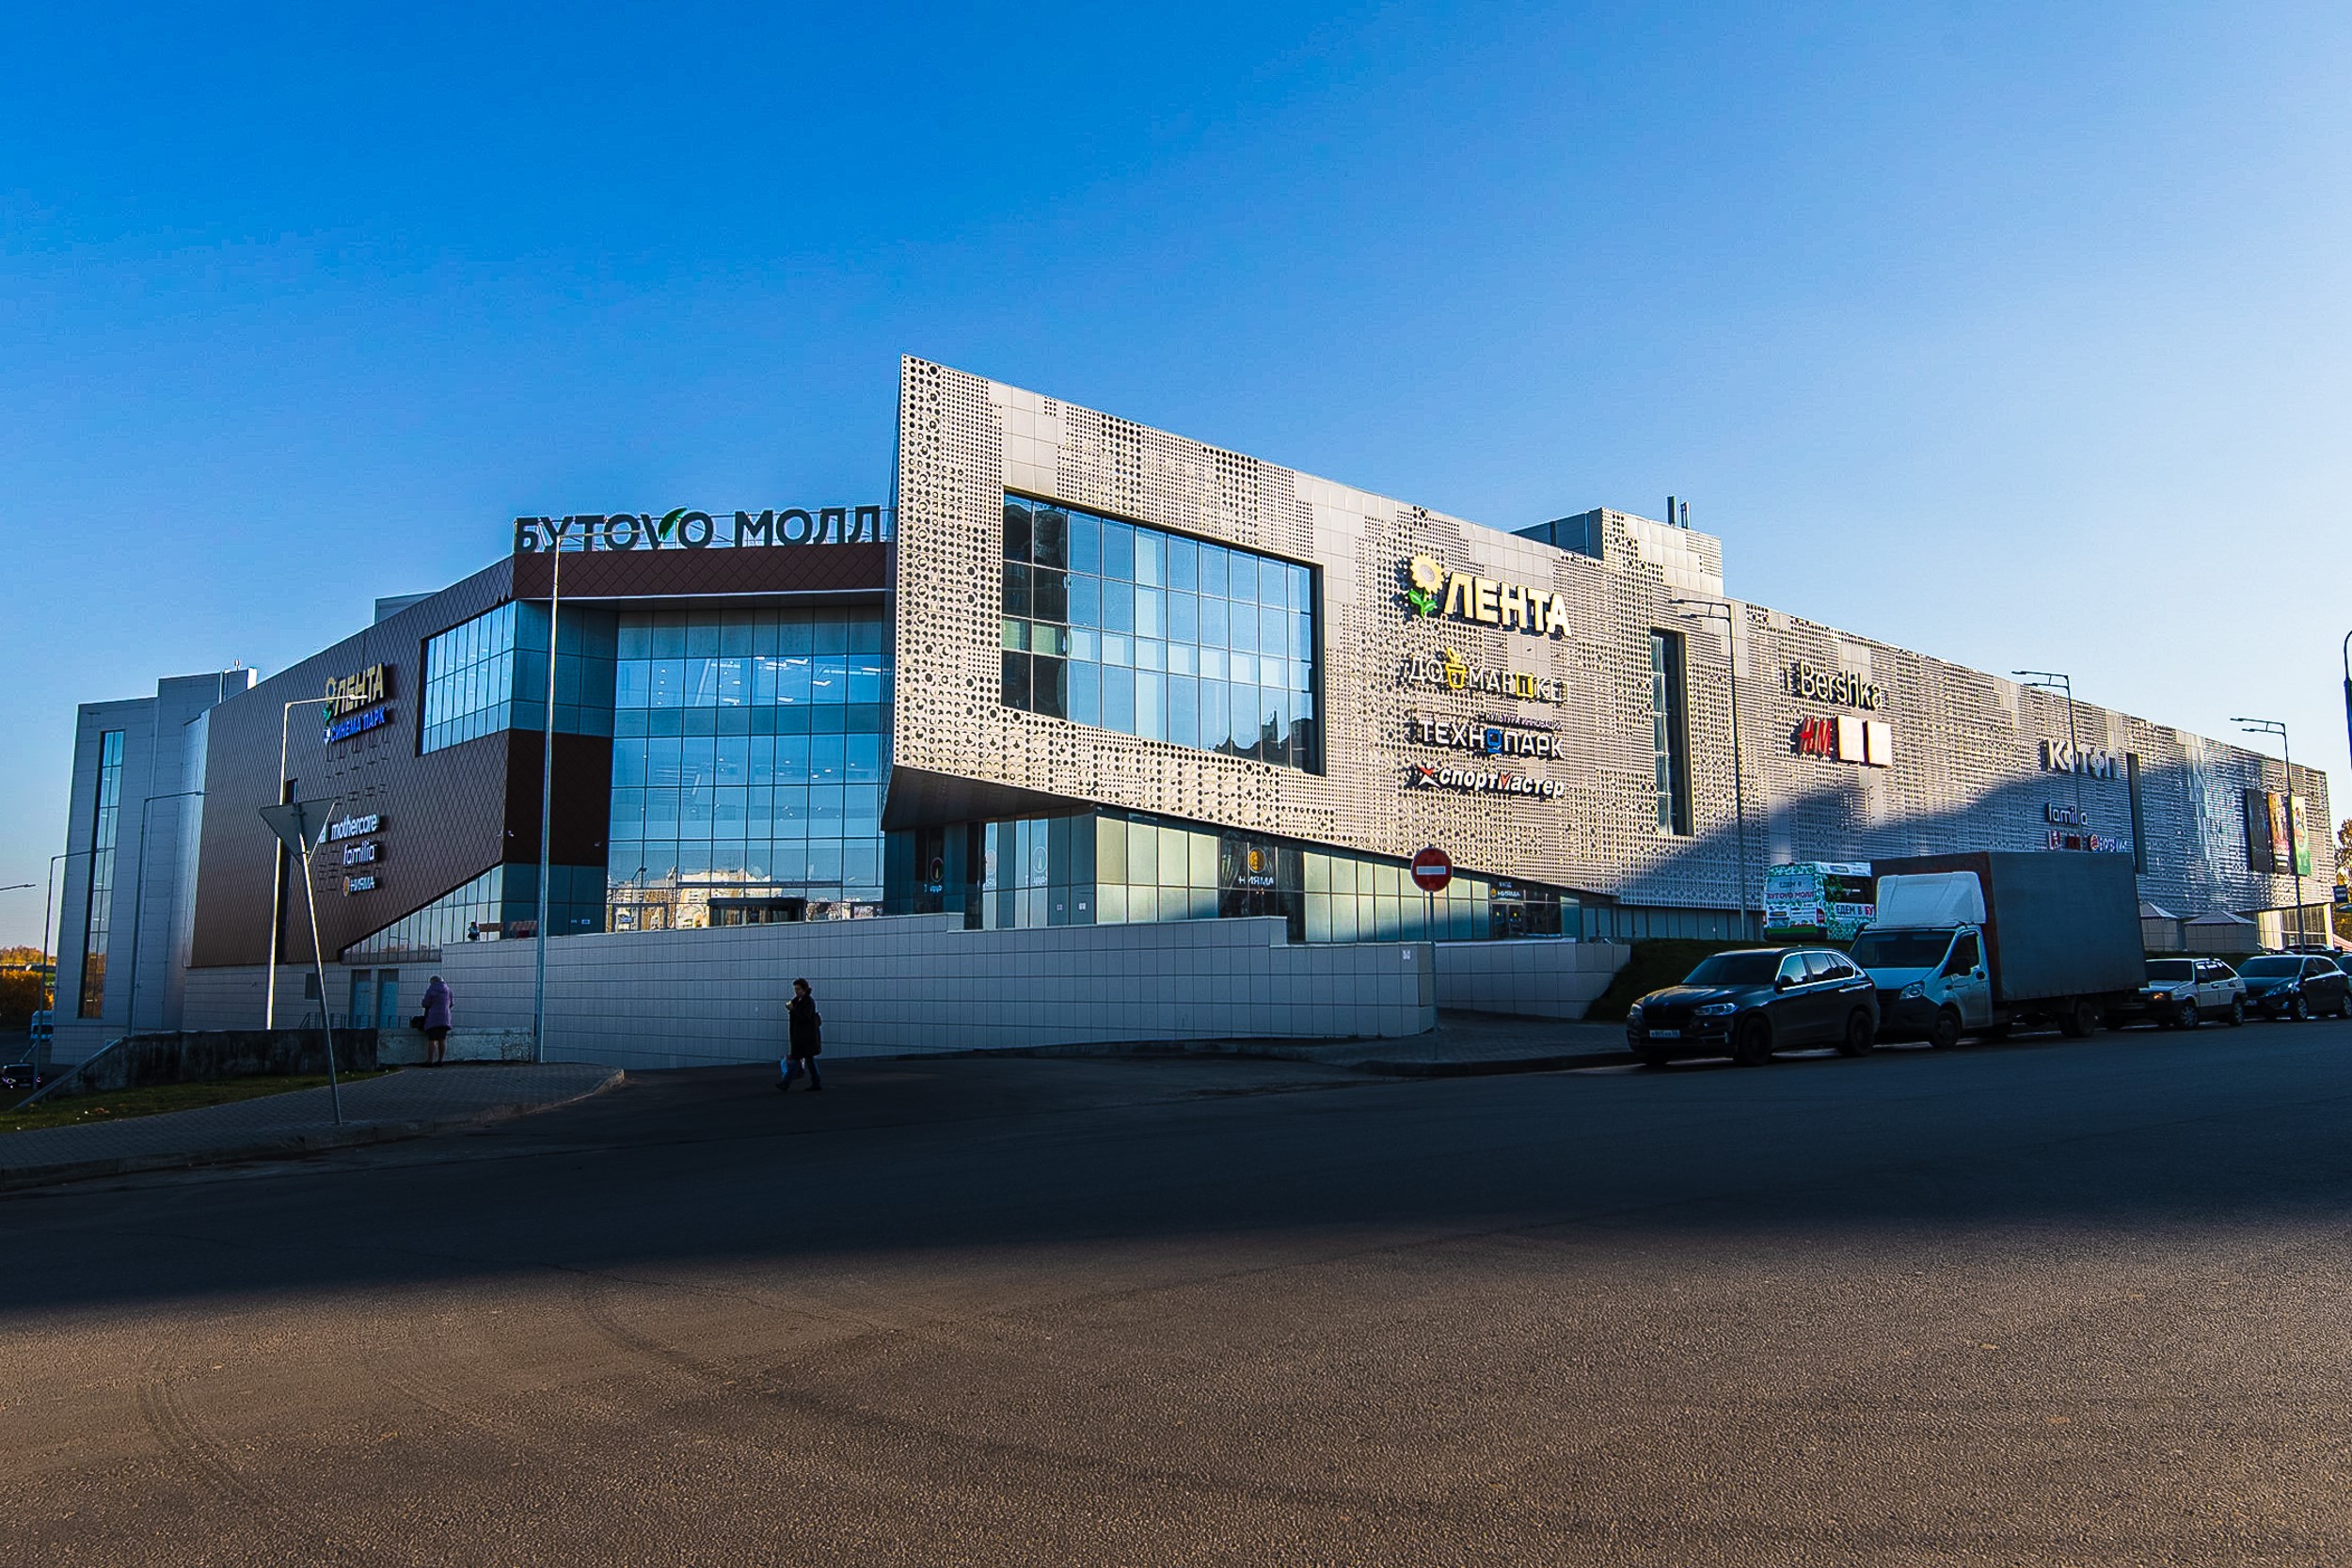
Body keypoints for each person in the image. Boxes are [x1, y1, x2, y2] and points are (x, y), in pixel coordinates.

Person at [779, 977, 822, 1092]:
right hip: (804, 1037)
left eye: (798, 989)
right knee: (808, 1060)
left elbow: (804, 1018)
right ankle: (816, 1082)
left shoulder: (808, 1002)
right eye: (795, 989)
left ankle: (785, 1083)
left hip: (805, 1037)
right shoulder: (800, 1000)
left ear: (804, 989)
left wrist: (792, 1010)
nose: (796, 991)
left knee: (797, 1059)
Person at [421, 974, 453, 1067]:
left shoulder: (431, 989)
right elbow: (451, 1004)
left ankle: (430, 1061)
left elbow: (425, 1003)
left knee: (432, 1039)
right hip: (445, 1018)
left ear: (432, 981)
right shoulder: (448, 990)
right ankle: (440, 1061)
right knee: (442, 1039)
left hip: (434, 1017)